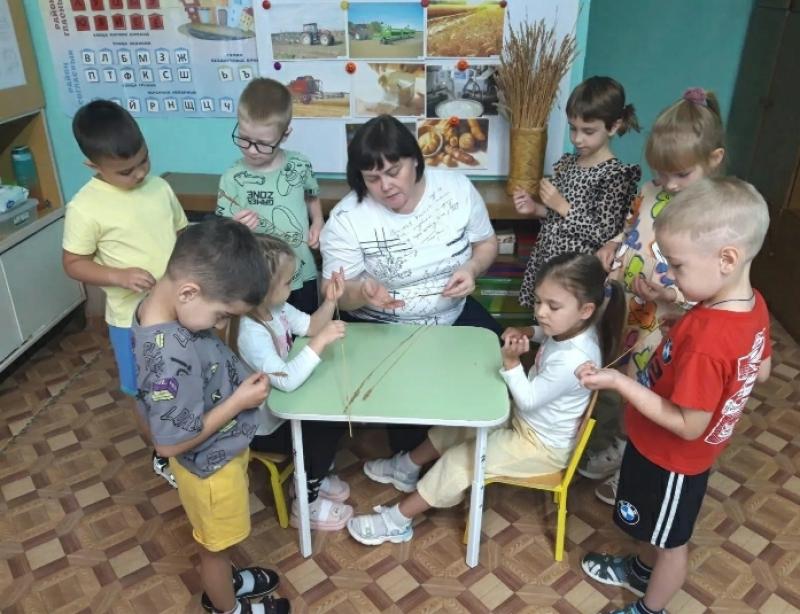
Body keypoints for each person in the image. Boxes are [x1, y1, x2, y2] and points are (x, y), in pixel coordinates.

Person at [576, 177, 771, 614]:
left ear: (726, 259)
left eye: (678, 266)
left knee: (670, 544)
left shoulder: (710, 339)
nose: (671, 275)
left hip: (673, 459)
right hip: (664, 449)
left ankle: (649, 608)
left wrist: (621, 383)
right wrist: (684, 331)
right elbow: (760, 370)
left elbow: (689, 424)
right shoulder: (750, 304)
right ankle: (640, 570)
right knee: (655, 528)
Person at [346, 253, 624, 546]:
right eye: (538, 301)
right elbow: (548, 335)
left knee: (458, 462)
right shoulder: (572, 328)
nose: (541, 312)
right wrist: (528, 331)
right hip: (526, 423)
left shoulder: (574, 359)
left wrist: (511, 362)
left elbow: (528, 400)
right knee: (460, 425)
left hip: (541, 447)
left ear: (585, 310)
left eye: (552, 306)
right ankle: (405, 468)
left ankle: (396, 521)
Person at [319, 114, 503, 454]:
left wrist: (472, 268)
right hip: (384, 328)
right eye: (372, 179)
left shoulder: (457, 188)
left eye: (394, 172)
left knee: (503, 375)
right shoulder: (347, 219)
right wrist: (362, 292)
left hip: (454, 314)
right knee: (412, 425)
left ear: (415, 160)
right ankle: (417, 460)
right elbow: (335, 295)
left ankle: (461, 449)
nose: (385, 186)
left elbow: (486, 243)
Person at [132, 219, 290, 614]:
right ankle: (226, 606)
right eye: (221, 315)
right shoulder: (170, 358)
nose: (221, 325)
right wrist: (238, 402)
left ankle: (227, 584)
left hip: (217, 453)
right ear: (188, 292)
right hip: (209, 468)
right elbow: (169, 444)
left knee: (220, 540)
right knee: (214, 550)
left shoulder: (162, 301)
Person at [581, 88, 726, 505]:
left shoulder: (715, 216)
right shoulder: (651, 190)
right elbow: (631, 229)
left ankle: (634, 460)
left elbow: (716, 286)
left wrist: (671, 294)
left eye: (681, 175)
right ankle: (618, 444)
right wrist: (612, 245)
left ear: (714, 160)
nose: (670, 184)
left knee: (650, 393)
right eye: (661, 173)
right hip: (628, 309)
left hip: (667, 324)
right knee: (619, 379)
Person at [62, 99, 187, 489]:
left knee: (186, 379)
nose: (140, 174)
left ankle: (191, 442)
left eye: (144, 161)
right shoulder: (84, 207)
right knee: (146, 392)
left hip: (181, 312)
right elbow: (73, 263)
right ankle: (163, 453)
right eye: (126, 171)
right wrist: (118, 275)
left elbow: (181, 235)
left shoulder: (160, 187)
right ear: (93, 166)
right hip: (130, 323)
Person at [228, 235, 353, 531]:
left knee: (331, 418)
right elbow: (286, 381)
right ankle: (306, 503)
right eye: (287, 282)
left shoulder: (276, 309)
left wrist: (331, 301)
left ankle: (310, 475)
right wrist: (321, 341)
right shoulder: (250, 332)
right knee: (324, 428)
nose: (292, 287)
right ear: (262, 289)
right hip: (262, 428)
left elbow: (310, 326)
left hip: (281, 410)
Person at [514, 76, 642, 307]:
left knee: (567, 319)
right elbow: (558, 218)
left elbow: (605, 234)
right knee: (545, 315)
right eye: (573, 129)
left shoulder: (614, 175)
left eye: (588, 131)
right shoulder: (569, 163)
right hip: (549, 262)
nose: (577, 138)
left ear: (613, 126)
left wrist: (561, 205)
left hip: (577, 275)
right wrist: (537, 209)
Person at [216, 77, 323, 315]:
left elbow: (311, 195)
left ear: (284, 135)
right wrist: (237, 227)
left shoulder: (299, 165)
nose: (252, 150)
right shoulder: (232, 177)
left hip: (300, 273)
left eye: (263, 144)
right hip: (258, 280)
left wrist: (318, 221)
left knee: (305, 330)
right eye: (244, 139)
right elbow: (224, 233)